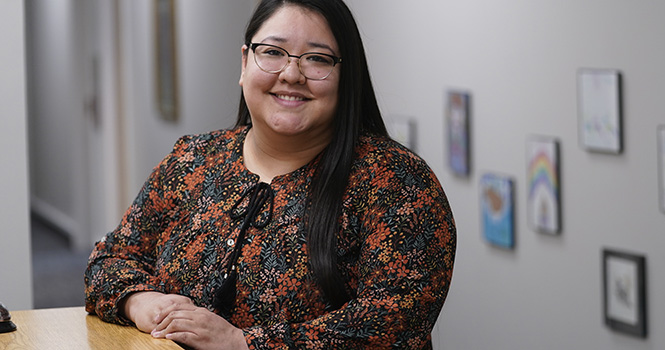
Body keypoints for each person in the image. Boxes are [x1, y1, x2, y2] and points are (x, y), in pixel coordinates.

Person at [84, 0, 456, 349]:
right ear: (245, 63)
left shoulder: (396, 182)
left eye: (316, 59)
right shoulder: (192, 160)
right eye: (273, 53)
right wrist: (141, 301)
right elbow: (109, 259)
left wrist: (244, 343)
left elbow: (394, 322)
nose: (291, 74)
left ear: (347, 75)